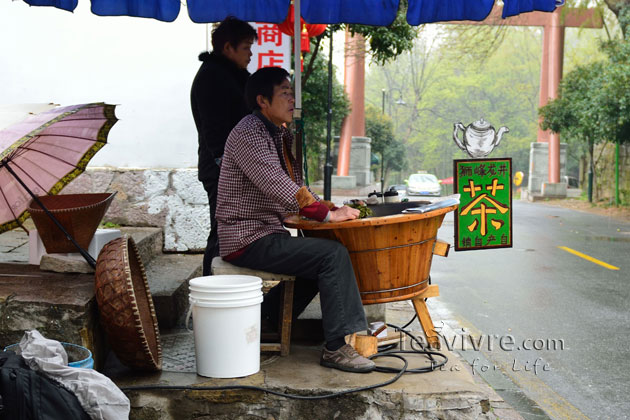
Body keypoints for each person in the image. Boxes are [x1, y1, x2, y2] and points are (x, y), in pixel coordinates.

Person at [215, 67, 375, 373]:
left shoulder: (278, 134)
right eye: (285, 93)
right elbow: (278, 184)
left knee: (322, 255)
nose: (292, 99)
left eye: (292, 93)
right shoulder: (249, 133)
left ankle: (268, 321)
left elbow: (297, 185)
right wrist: (327, 215)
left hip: (267, 232)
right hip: (247, 236)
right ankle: (337, 348)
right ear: (263, 100)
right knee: (332, 256)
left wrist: (328, 205)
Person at [190, 17, 258, 275]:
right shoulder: (213, 77)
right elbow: (215, 133)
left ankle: (218, 294)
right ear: (228, 48)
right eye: (246, 48)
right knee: (221, 235)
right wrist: (228, 167)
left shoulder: (233, 75)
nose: (250, 54)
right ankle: (209, 295)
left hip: (234, 168)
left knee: (226, 234)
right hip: (222, 170)